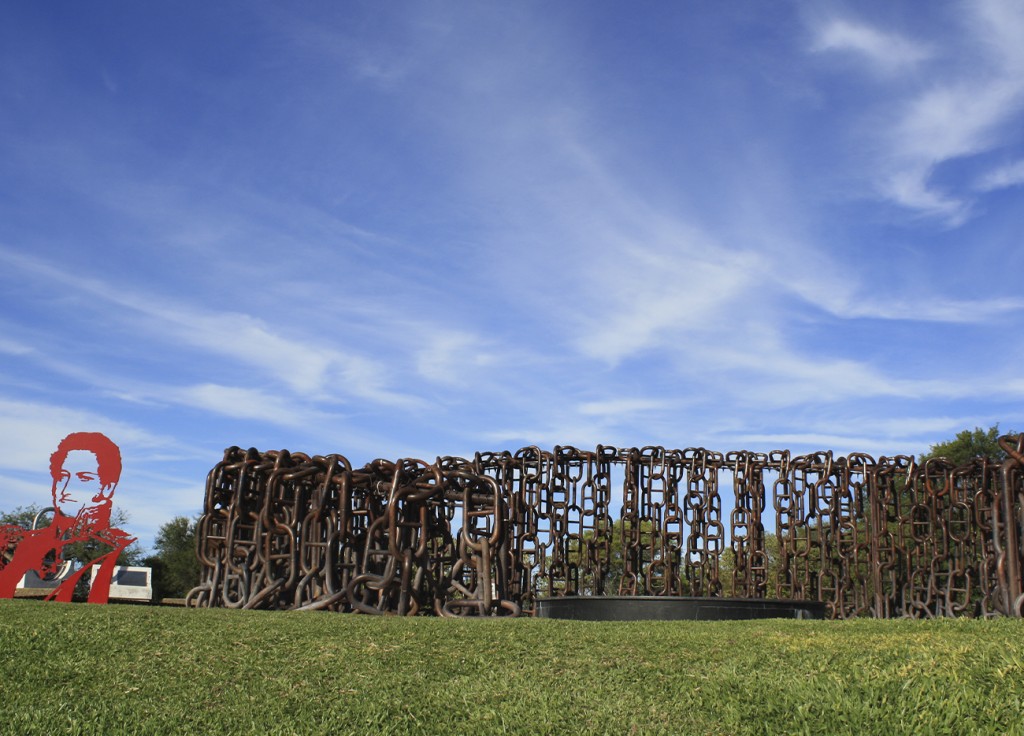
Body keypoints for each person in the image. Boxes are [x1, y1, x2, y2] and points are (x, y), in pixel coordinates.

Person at [0, 432, 135, 602]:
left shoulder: (107, 542)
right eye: (62, 476)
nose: (65, 489)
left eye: (84, 478)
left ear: (107, 487)